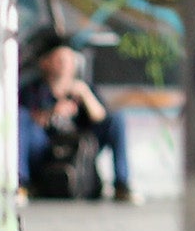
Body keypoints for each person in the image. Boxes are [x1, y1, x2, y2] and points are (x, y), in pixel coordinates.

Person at [20, 38, 140, 203]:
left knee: (117, 118)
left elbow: (103, 119)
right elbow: (24, 123)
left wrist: (85, 95)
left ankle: (122, 184)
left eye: (70, 60)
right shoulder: (33, 90)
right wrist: (53, 113)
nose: (66, 65)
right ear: (45, 63)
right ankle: (21, 184)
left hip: (79, 146)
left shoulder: (84, 88)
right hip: (46, 149)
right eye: (60, 60)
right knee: (22, 118)